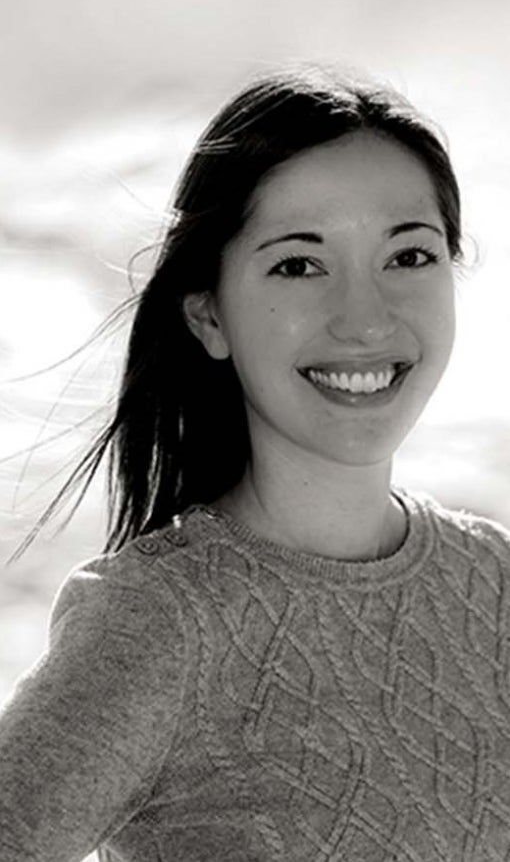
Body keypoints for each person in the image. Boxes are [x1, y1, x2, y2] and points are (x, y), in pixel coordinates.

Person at [1, 65, 510, 862]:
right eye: (299, 265)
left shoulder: (497, 581)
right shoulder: (161, 620)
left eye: (409, 256)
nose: (364, 320)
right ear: (209, 315)